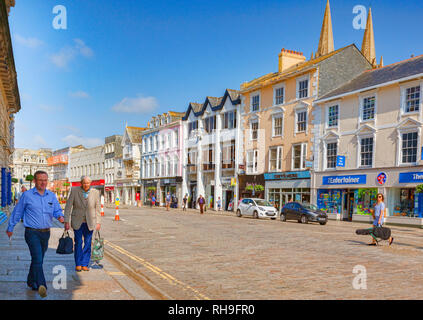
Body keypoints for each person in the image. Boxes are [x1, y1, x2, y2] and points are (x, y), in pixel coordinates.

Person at [6, 171, 65, 298]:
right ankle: (41, 285)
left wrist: (60, 217)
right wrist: (11, 226)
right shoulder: (27, 195)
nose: (43, 182)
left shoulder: (51, 196)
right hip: (31, 232)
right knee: (38, 258)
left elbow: (57, 210)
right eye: (40, 180)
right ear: (34, 181)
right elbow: (18, 212)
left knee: (38, 259)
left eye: (45, 180)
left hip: (46, 233)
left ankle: (31, 281)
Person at [64, 176, 101, 272]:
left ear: (91, 183)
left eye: (88, 183)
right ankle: (78, 263)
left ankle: (85, 263)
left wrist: (98, 222)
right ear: (81, 183)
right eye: (84, 183)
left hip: (90, 221)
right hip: (77, 221)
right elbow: (68, 206)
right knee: (78, 242)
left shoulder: (95, 192)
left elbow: (98, 208)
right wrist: (66, 221)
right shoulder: (74, 190)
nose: (86, 185)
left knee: (88, 243)